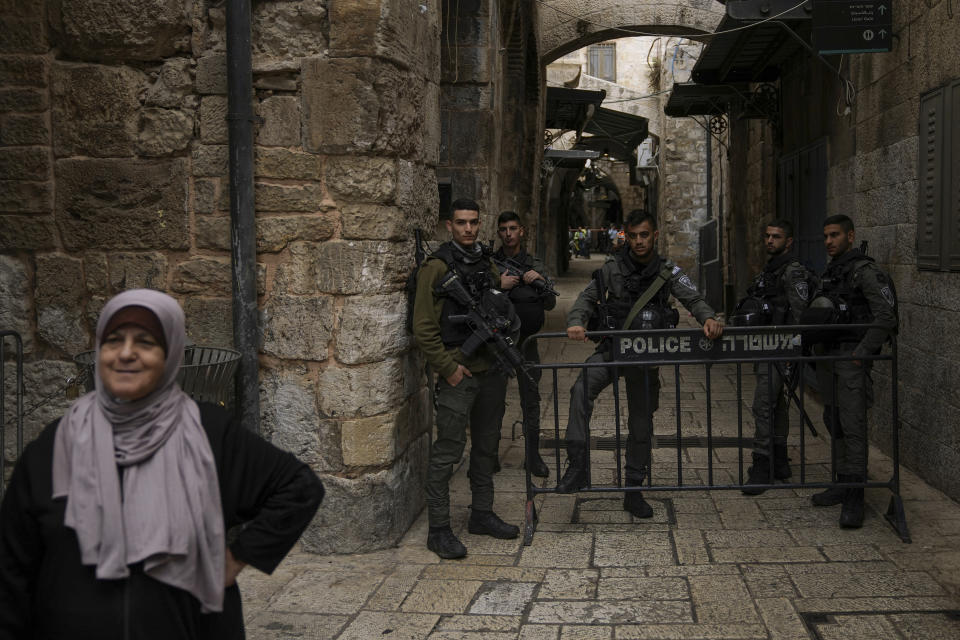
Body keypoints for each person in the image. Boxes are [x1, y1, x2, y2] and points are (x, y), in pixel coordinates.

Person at [0, 289, 324, 639]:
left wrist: (235, 559)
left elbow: (298, 488)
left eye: (145, 342)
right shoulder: (55, 446)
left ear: (169, 354)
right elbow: (11, 570)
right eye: (113, 341)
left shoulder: (209, 435)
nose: (126, 353)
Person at [558, 210, 723, 517]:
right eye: (632, 236)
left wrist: (709, 317)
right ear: (626, 236)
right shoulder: (612, 269)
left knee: (640, 422)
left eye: (644, 235)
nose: (638, 242)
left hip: (646, 357)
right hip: (613, 351)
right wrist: (576, 321)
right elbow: (586, 297)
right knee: (580, 390)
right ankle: (578, 465)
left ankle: (634, 488)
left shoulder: (668, 271)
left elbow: (692, 297)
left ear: (655, 235)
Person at [412, 198, 519, 559]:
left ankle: (482, 514)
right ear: (449, 225)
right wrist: (448, 368)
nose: (469, 229)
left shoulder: (486, 263)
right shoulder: (436, 267)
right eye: (461, 223)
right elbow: (423, 328)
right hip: (459, 372)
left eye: (474, 222)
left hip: (490, 371)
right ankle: (439, 528)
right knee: (448, 451)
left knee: (487, 446)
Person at [808, 214, 897, 528]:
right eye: (826, 236)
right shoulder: (833, 272)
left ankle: (855, 498)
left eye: (835, 235)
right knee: (835, 422)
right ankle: (843, 482)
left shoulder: (866, 271)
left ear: (850, 236)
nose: (829, 241)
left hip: (850, 360)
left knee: (853, 426)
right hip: (830, 359)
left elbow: (886, 316)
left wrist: (862, 353)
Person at [737, 220, 813, 494]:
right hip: (766, 347)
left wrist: (794, 351)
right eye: (767, 236)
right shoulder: (770, 270)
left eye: (776, 237)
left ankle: (761, 465)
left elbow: (801, 313)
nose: (769, 241)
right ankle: (779, 460)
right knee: (777, 404)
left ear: (788, 241)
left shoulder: (793, 272)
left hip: (781, 349)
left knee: (763, 404)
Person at [495, 211, 558, 478]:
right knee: (493, 401)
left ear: (522, 231)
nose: (508, 234)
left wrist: (539, 282)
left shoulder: (535, 263)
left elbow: (552, 302)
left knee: (530, 399)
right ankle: (489, 456)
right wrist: (498, 284)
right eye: (503, 229)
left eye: (513, 228)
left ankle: (533, 457)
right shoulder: (491, 263)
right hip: (498, 343)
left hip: (527, 344)